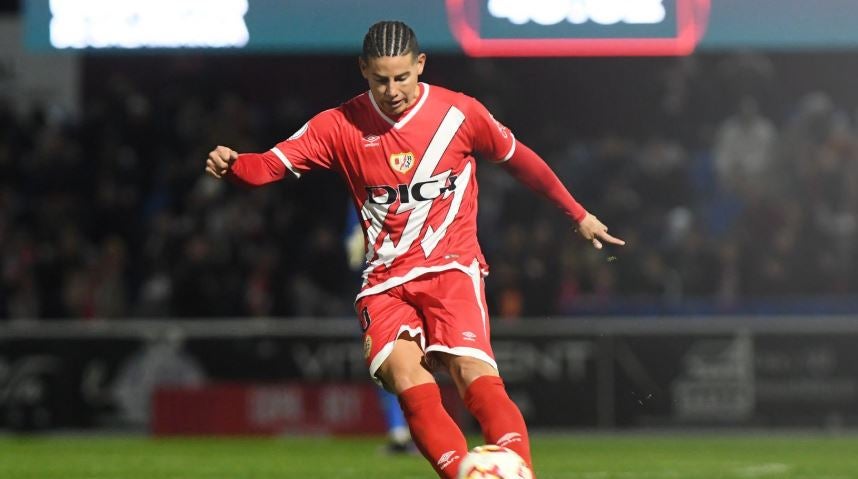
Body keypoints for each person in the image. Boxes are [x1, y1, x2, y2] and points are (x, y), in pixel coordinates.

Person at [205, 20, 624, 478]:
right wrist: (235, 165)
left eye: (402, 77)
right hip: (384, 282)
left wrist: (577, 214)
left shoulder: (459, 114)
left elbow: (520, 160)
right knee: (405, 380)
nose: (392, 91)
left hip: (451, 269)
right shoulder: (339, 125)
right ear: (363, 70)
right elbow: (270, 165)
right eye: (381, 80)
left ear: (420, 64)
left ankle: (517, 472)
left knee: (470, 372)